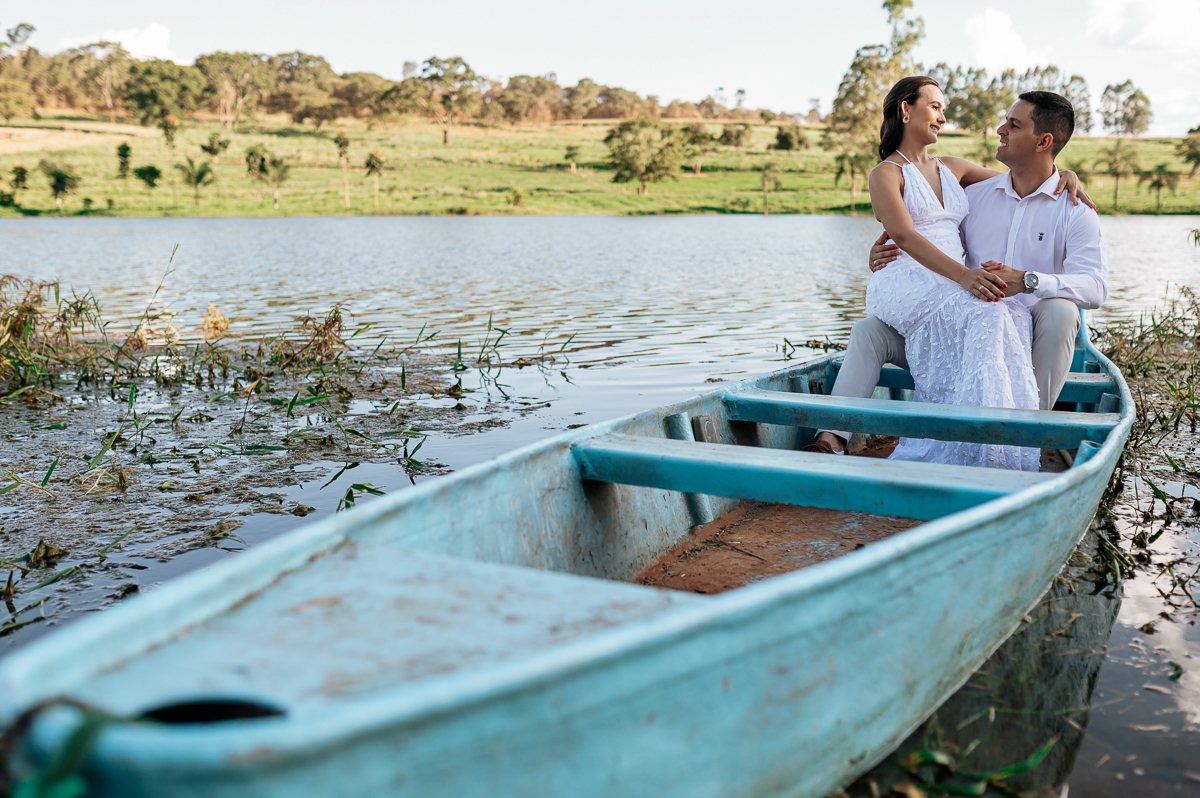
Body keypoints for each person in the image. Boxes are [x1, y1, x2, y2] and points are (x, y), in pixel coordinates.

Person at [806, 79, 1105, 469]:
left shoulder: (1071, 209)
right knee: (868, 331)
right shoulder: (979, 193)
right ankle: (832, 437)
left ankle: (1021, 433)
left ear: (1043, 141)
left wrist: (1064, 175)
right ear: (905, 110)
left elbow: (1095, 286)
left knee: (1057, 311)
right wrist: (885, 255)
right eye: (935, 107)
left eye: (1013, 125)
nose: (1000, 130)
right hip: (949, 300)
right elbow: (913, 233)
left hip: (1016, 323)